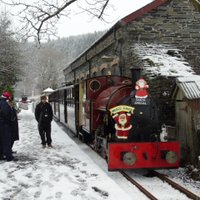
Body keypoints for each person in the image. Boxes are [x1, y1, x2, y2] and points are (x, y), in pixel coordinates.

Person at [0, 91, 15, 161]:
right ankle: (9, 156)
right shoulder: (4, 104)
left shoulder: (1, 102)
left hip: (1, 124)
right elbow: (6, 114)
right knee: (7, 141)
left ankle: (1, 155)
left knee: (1, 141)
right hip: (5, 125)